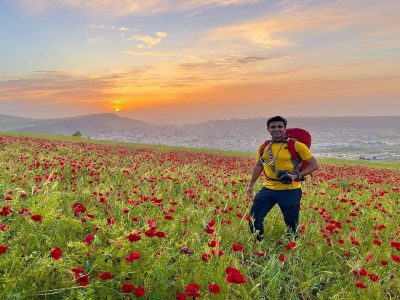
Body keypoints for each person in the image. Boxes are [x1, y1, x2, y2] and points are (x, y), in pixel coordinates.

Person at [246, 116, 319, 241]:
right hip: (268, 188)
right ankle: (258, 243)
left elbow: (314, 165)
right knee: (254, 217)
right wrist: (251, 185)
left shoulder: (297, 145)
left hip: (290, 190)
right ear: (268, 129)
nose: (276, 129)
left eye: (280, 126)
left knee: (291, 222)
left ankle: (292, 246)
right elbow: (259, 165)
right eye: (273, 127)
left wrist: (297, 176)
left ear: (285, 129)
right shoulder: (264, 146)